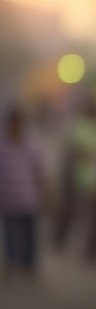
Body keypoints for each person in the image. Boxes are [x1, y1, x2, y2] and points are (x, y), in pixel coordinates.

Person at [53, 95, 96, 262]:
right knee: (81, 214)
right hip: (81, 177)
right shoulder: (83, 127)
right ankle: (66, 242)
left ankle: (65, 241)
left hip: (86, 177)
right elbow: (79, 150)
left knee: (77, 213)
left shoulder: (86, 127)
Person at [0, 106, 45, 279]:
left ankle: (29, 265)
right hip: (8, 200)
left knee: (29, 236)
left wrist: (42, 195)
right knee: (10, 235)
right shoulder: (3, 147)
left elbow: (38, 171)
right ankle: (11, 263)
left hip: (28, 199)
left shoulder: (31, 146)